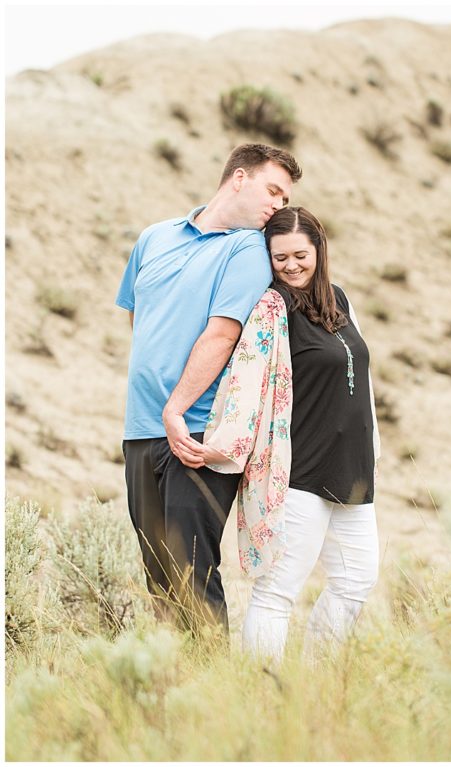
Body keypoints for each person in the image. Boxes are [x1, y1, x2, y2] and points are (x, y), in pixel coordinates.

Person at [116, 143, 302, 632]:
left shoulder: (246, 250)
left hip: (201, 434)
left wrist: (177, 408)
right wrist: (158, 406)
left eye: (285, 199)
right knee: (157, 574)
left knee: (192, 571)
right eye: (273, 191)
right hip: (141, 428)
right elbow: (139, 317)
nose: (278, 206)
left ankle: (216, 695)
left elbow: (222, 333)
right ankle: (171, 693)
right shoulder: (153, 239)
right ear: (238, 178)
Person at [201, 206, 381, 661]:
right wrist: (219, 445)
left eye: (300, 254)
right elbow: (244, 380)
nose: (291, 266)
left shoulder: (339, 299)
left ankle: (313, 686)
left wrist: (373, 446)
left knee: (356, 579)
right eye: (279, 258)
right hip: (299, 471)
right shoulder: (271, 307)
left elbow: (363, 379)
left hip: (353, 469)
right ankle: (264, 696)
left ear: (319, 250)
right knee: (278, 591)